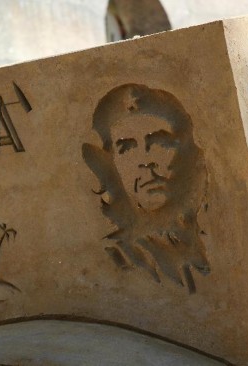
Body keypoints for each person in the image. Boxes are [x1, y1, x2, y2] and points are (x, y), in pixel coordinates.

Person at [82, 83, 210, 293]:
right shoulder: (123, 252)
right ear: (110, 163)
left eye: (161, 142)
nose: (147, 161)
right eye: (127, 149)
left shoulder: (192, 232)